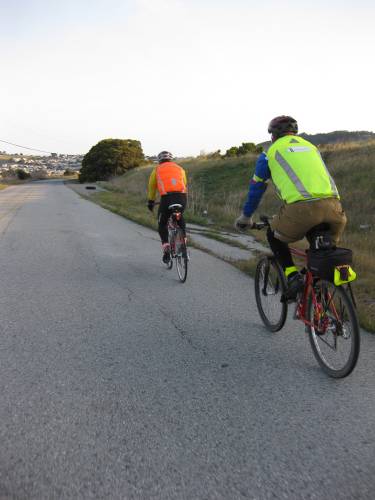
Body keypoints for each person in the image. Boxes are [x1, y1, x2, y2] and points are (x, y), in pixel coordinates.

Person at [235, 115, 347, 298]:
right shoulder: (311, 148)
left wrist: (246, 217)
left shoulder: (269, 153)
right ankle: (323, 305)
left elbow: (256, 189)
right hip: (335, 210)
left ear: (273, 135)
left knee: (273, 234)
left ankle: (292, 276)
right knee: (320, 257)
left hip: (302, 210)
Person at [147, 151, 188, 263]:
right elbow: (184, 182)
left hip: (167, 199)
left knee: (162, 223)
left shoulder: (157, 170)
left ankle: (166, 250)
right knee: (179, 217)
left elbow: (152, 187)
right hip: (182, 197)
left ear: (159, 160)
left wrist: (151, 202)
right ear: (171, 160)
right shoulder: (180, 169)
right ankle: (184, 241)